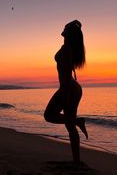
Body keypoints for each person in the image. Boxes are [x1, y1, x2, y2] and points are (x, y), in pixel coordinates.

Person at [44, 20, 88, 163]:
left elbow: (66, 75)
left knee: (49, 115)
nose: (63, 28)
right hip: (72, 87)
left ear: (69, 34)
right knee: (70, 126)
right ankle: (76, 161)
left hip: (68, 87)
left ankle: (77, 121)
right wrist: (75, 23)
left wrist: (66, 92)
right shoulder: (68, 47)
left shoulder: (68, 49)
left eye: (66, 28)